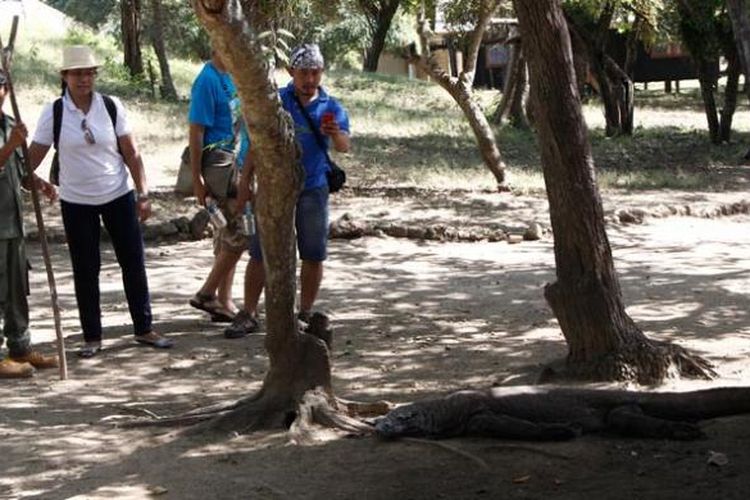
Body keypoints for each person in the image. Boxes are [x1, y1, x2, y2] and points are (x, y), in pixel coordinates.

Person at [27, 45, 173, 357]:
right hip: (76, 201)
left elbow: (132, 153)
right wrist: (32, 178)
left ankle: (144, 329)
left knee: (133, 261)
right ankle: (92, 337)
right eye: (77, 73)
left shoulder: (111, 106)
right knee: (85, 268)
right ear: (65, 76)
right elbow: (31, 159)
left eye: (89, 73)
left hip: (117, 194)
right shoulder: (53, 111)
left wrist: (143, 193)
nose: (83, 79)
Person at [225, 43, 350, 339]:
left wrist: (334, 134)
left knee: (313, 252)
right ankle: (249, 312)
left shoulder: (331, 106)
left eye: (315, 72)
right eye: (304, 72)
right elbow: (256, 144)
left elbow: (345, 146)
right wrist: (245, 185)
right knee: (260, 250)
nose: (310, 79)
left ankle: (305, 312)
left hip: (313, 187)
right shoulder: (277, 102)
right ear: (291, 71)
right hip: (273, 188)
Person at [0, 69, 59, 378]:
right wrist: (11, 145)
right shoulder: (12, 134)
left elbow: (19, 171)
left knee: (16, 289)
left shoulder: (10, 125)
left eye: (0, 86)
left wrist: (38, 183)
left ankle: (20, 347)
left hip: (12, 225)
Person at [187, 49, 250, 323]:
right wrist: (197, 179)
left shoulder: (236, 75)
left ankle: (223, 300)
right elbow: (196, 130)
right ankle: (207, 292)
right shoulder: (207, 80)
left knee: (227, 232)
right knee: (241, 231)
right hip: (220, 164)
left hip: (238, 161)